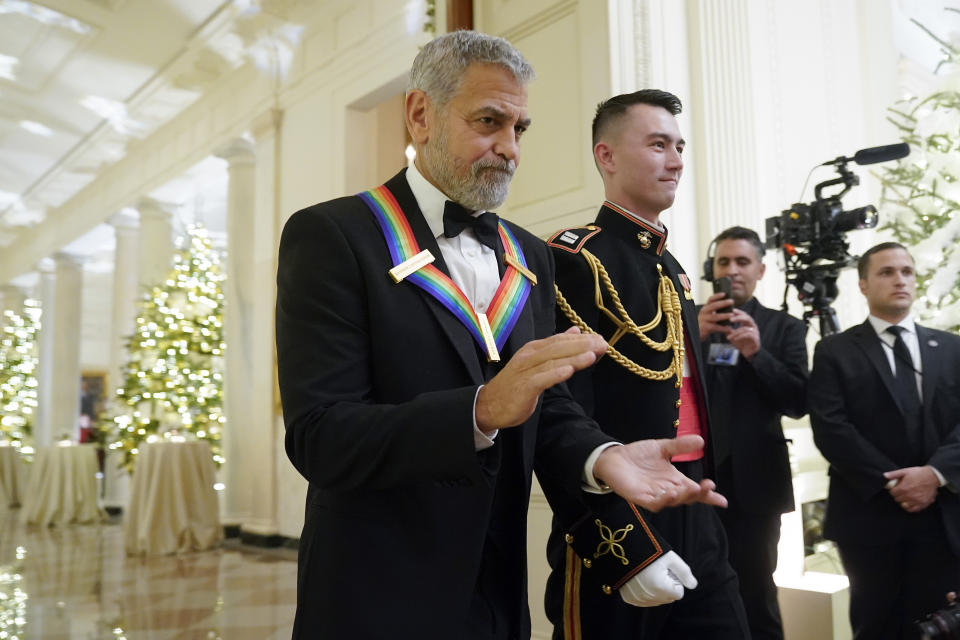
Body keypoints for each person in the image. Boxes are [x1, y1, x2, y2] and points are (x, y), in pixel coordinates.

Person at [276, 32, 723, 640]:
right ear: (420, 114)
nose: (509, 148)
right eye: (489, 121)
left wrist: (601, 456)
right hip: (378, 589)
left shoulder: (528, 253)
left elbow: (550, 407)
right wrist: (480, 409)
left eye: (521, 129)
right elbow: (320, 436)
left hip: (498, 592)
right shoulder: (334, 236)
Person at [543, 90, 750, 639]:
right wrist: (624, 545)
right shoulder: (574, 260)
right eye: (658, 144)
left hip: (696, 500)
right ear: (606, 156)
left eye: (679, 146)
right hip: (622, 507)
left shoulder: (673, 269)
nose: (677, 160)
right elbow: (557, 411)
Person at [809, 241, 960, 640]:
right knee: (876, 627)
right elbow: (831, 428)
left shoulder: (951, 348)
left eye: (907, 271)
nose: (900, 280)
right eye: (887, 272)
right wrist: (897, 483)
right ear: (862, 285)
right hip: (869, 515)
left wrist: (934, 475)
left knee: (942, 626)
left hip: (942, 515)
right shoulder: (834, 351)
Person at [698, 226, 809, 640]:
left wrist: (757, 354)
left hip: (757, 488)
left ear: (761, 270)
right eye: (724, 262)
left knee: (757, 595)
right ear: (713, 269)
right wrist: (695, 336)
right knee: (695, 593)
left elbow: (798, 402)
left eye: (742, 262)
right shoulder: (689, 321)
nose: (733, 270)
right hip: (694, 482)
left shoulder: (786, 328)